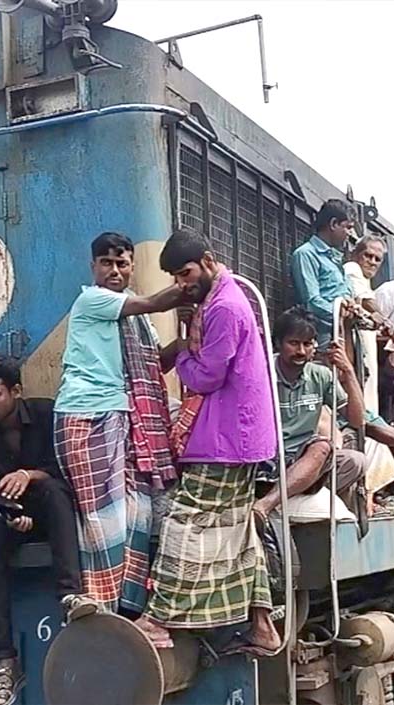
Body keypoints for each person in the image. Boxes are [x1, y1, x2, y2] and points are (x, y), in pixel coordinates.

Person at [137, 229, 280, 655]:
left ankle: (157, 619)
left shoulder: (224, 308)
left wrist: (181, 351)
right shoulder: (226, 297)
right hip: (241, 436)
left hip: (226, 438)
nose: (183, 284)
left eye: (186, 273)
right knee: (237, 533)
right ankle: (262, 626)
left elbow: (206, 376)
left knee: (184, 522)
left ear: (208, 259)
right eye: (176, 278)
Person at [53, 232, 183, 615]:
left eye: (122, 262)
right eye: (106, 263)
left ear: (130, 266)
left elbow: (155, 365)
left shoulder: (141, 323)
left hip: (124, 419)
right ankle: (98, 606)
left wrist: (186, 343)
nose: (114, 270)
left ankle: (126, 608)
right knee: (102, 518)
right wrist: (199, 284)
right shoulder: (93, 300)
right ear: (93, 266)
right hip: (88, 415)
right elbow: (156, 300)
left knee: (134, 516)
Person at [0, 355, 99, 705]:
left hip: (53, 507)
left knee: (53, 491)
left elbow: (66, 472)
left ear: (16, 391)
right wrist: (10, 515)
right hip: (14, 516)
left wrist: (29, 474)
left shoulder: (47, 415)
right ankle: (4, 662)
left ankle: (70, 594)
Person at [251, 307, 368, 521]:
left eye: (308, 344)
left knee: (351, 458)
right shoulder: (261, 371)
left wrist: (348, 372)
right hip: (267, 458)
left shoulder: (321, 375)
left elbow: (357, 420)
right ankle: (273, 499)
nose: (301, 351)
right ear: (278, 343)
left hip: (305, 459)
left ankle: (267, 504)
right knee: (322, 448)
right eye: (294, 343)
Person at [290, 199, 355, 350]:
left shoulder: (336, 259)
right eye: (348, 227)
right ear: (333, 224)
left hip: (345, 334)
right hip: (323, 338)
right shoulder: (305, 254)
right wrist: (339, 313)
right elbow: (311, 302)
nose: (350, 234)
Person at [344, 235, 388, 410]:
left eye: (377, 259)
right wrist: (389, 325)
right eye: (367, 256)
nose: (372, 262)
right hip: (354, 346)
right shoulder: (351, 268)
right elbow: (367, 302)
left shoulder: (366, 281)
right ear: (355, 254)